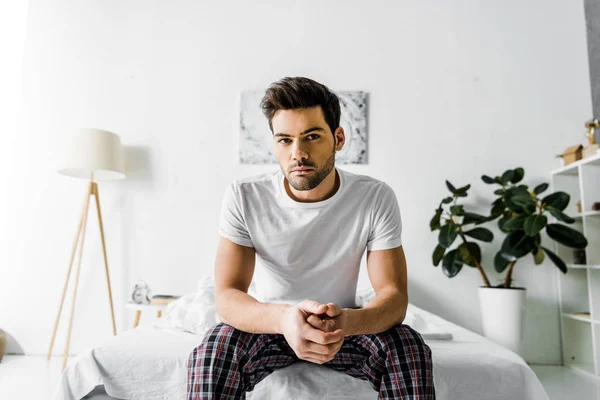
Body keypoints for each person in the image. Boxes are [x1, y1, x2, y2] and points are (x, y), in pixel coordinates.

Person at [187, 77, 435, 399]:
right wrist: (285, 320)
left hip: (344, 326)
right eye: (285, 140)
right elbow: (228, 295)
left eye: (312, 137)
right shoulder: (244, 197)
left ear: (339, 138)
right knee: (215, 349)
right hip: (272, 324)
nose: (298, 153)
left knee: (408, 346)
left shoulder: (374, 197)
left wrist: (346, 322)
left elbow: (393, 296)